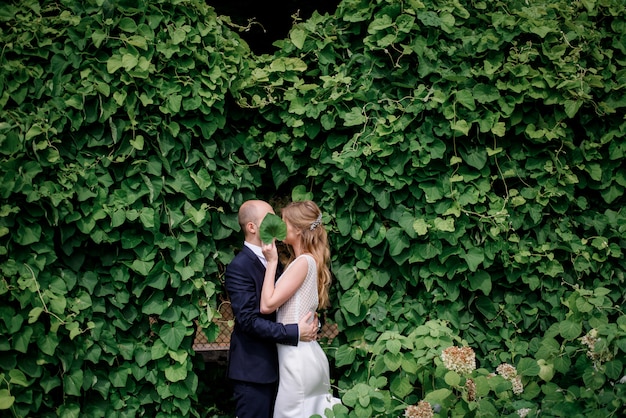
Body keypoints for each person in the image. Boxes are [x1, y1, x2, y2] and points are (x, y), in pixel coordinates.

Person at [225, 200, 319, 418]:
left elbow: (288, 306)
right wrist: (295, 332)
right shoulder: (239, 267)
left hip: (285, 368)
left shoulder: (277, 262)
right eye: (269, 218)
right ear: (252, 227)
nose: (277, 222)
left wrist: (311, 323)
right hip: (254, 372)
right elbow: (248, 321)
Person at [260, 200, 342, 418]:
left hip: (296, 358)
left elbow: (267, 305)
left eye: (284, 222)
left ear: (297, 229)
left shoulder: (303, 262)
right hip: (306, 354)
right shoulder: (309, 261)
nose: (279, 226)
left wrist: (271, 262)